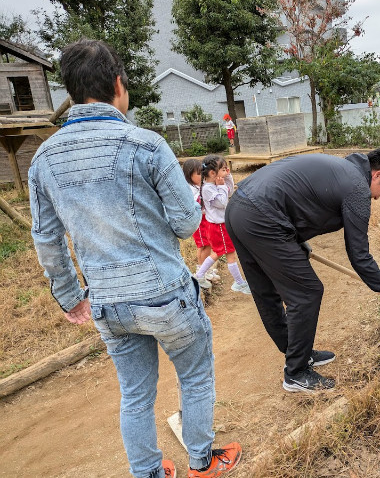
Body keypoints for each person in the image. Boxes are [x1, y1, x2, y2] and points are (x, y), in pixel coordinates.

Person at [28, 39, 241, 478]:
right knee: (195, 378)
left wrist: (70, 296)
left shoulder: (43, 159)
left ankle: (148, 472)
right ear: (118, 85)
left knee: (135, 394)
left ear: (69, 90)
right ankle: (202, 462)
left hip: (107, 302)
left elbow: (46, 238)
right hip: (165, 294)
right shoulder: (146, 143)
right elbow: (185, 222)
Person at [225, 147, 380, 393]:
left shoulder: (343, 169)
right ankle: (296, 373)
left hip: (239, 207)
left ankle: (297, 352)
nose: (378, 197)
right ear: (377, 175)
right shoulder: (357, 187)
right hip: (262, 217)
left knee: (266, 292)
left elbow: (298, 195)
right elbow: (359, 256)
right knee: (307, 292)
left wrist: (295, 238)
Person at [196, 154, 251, 295]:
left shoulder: (214, 184)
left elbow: (229, 191)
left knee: (217, 253)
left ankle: (199, 276)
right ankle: (239, 283)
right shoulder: (208, 189)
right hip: (218, 227)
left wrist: (228, 178)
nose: (226, 170)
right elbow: (222, 202)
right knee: (231, 255)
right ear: (213, 173)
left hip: (219, 227)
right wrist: (221, 187)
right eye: (223, 169)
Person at [183, 159, 220, 288]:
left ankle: (204, 270)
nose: (202, 177)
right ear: (189, 175)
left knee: (205, 246)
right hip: (199, 221)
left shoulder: (198, 186)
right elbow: (195, 203)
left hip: (204, 220)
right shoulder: (191, 189)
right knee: (205, 246)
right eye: (199, 174)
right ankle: (202, 273)